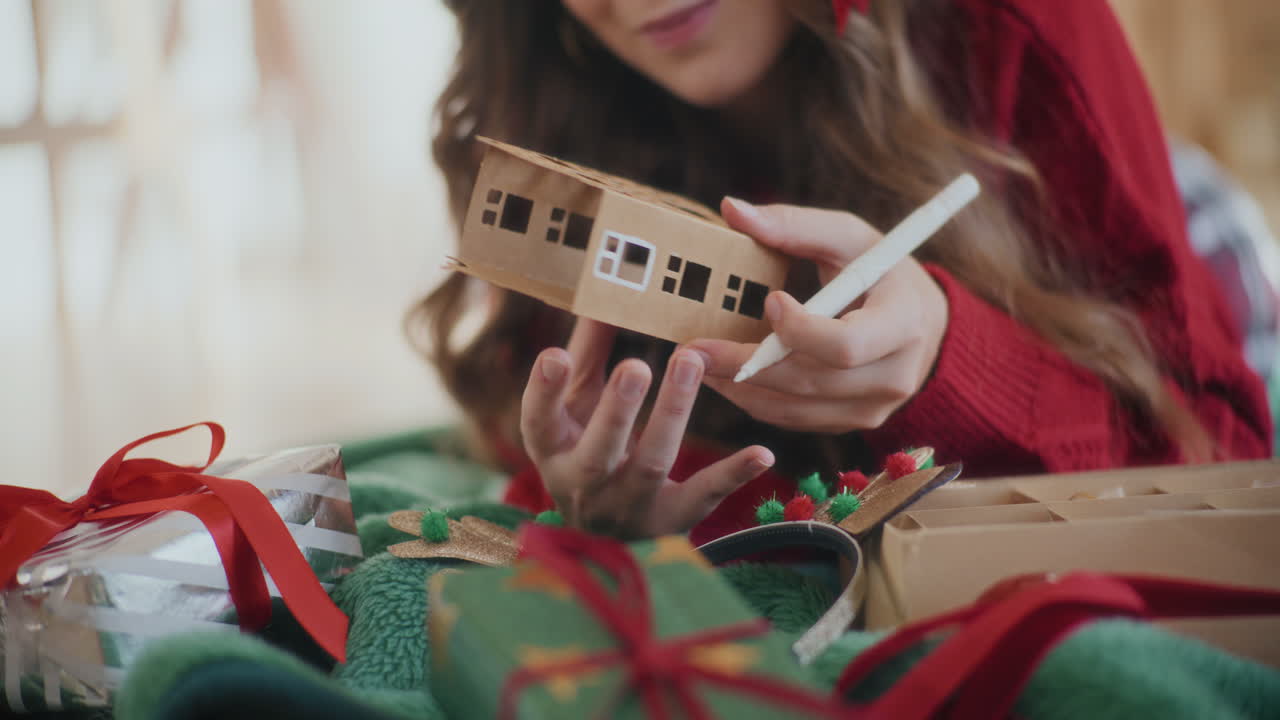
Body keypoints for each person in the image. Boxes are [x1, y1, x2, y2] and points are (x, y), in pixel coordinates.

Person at [410, 0, 1272, 543]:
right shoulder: (545, 70)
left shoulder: (1014, 30)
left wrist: (948, 358)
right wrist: (603, 494)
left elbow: (1227, 464)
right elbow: (531, 404)